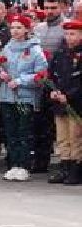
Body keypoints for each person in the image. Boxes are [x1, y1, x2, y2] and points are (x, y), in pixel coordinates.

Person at [0, 13, 48, 181]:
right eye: (13, 28)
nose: (15, 31)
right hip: (6, 96)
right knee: (10, 132)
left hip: (24, 97)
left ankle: (24, 164)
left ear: (26, 29)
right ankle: (13, 164)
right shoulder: (7, 48)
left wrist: (20, 81)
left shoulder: (34, 50)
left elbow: (41, 74)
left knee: (24, 131)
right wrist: (0, 74)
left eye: (19, 27)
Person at [46, 19, 82, 183]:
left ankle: (76, 167)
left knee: (76, 136)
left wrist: (69, 95)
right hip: (60, 102)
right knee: (62, 135)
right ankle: (65, 165)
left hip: (76, 103)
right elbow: (52, 74)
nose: (69, 37)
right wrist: (53, 90)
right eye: (67, 34)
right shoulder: (61, 53)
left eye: (73, 34)